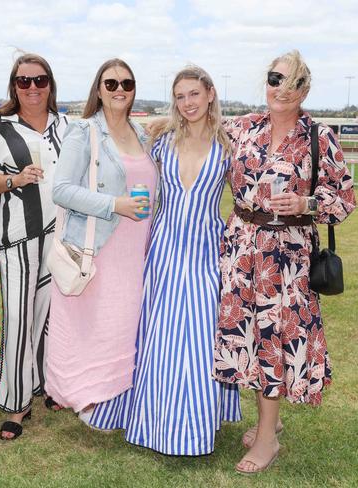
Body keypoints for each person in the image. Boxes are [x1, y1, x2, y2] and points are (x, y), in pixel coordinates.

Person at [212, 50, 356, 474]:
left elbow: (345, 200)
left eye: (293, 83)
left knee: (274, 340)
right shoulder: (242, 128)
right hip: (242, 249)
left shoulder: (319, 137)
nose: (282, 89)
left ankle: (268, 438)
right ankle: (265, 428)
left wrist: (306, 201)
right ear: (267, 81)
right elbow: (194, 127)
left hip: (287, 257)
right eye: (276, 78)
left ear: (305, 90)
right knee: (249, 337)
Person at [88, 65, 241, 456]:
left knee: (201, 337)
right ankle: (152, 418)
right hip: (164, 248)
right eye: (180, 96)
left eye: (194, 94)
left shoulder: (231, 144)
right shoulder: (159, 140)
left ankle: (195, 424)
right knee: (159, 336)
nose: (187, 103)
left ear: (210, 93)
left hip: (207, 248)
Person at [46, 59, 157, 424]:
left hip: (137, 247)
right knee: (95, 328)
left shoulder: (142, 135)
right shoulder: (84, 132)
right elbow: (61, 190)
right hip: (101, 244)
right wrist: (115, 205)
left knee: (124, 327)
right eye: (111, 84)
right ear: (98, 89)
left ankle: (116, 403)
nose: (119, 90)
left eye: (127, 83)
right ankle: (87, 399)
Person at [0, 53, 69, 440]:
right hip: (18, 234)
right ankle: (16, 401)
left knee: (51, 315)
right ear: (14, 87)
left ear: (50, 84)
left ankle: (46, 383)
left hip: (61, 233)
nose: (32, 87)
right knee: (18, 315)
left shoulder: (68, 125)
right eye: (23, 81)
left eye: (40, 80)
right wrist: (14, 179)